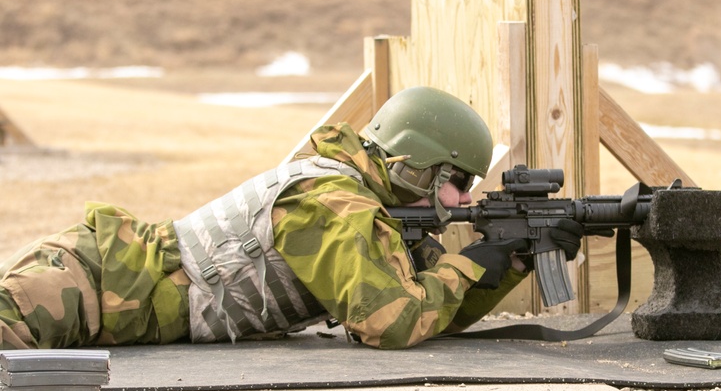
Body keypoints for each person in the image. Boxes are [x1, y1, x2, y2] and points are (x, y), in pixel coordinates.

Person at [0, 86, 583, 350]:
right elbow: (394, 323)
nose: (459, 202)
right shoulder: (333, 203)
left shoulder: (376, 211)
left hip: (111, 295)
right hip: (86, 283)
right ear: (417, 165)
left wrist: (505, 261)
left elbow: (433, 313)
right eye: (456, 182)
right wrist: (468, 263)